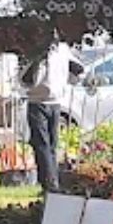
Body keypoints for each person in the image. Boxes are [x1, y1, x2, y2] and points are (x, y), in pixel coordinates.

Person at [24, 40, 78, 195]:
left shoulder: (40, 49)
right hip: (56, 101)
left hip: (38, 100)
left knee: (41, 144)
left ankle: (49, 183)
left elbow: (30, 76)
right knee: (52, 144)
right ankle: (53, 179)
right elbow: (76, 71)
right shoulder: (63, 48)